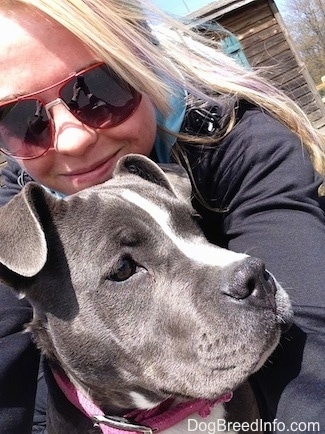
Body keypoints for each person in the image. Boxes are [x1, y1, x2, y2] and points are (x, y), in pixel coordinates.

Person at [0, 0, 324, 433]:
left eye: (98, 88)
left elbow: (311, 353)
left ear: (143, 62)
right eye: (21, 119)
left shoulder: (241, 144)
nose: (74, 139)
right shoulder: (17, 215)